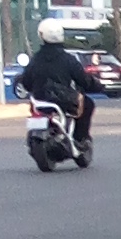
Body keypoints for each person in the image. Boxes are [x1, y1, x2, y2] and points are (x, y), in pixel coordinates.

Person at [20, 17, 94, 162]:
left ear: (41, 35)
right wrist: (96, 85)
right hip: (63, 100)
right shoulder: (68, 59)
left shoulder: (35, 59)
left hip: (39, 100)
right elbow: (83, 79)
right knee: (88, 104)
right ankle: (80, 138)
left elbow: (26, 82)